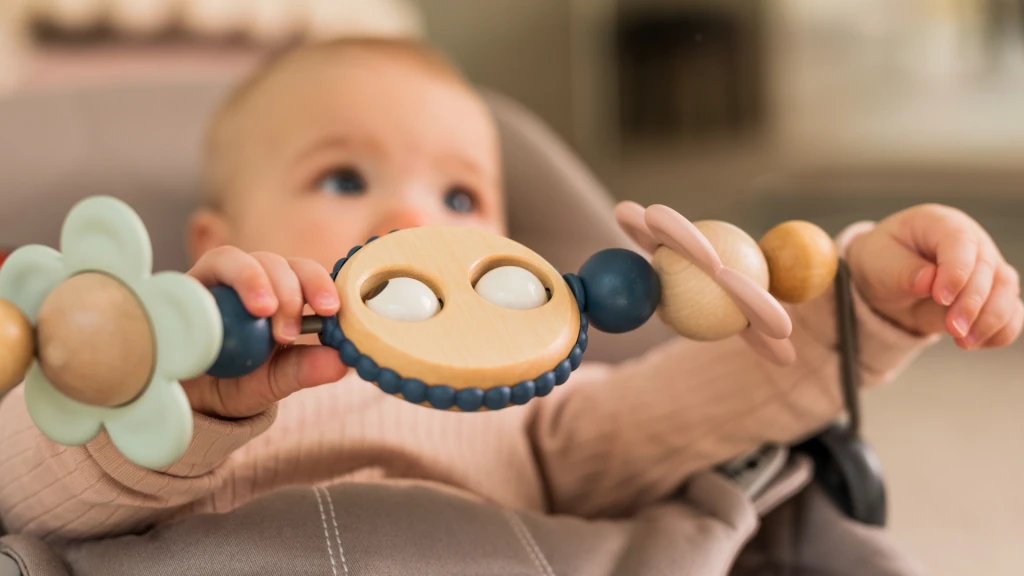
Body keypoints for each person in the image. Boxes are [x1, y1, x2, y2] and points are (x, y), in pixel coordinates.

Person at [1, 37, 1020, 543]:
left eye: (460, 193)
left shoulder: (537, 406)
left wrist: (868, 302)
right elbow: (28, 492)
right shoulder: (168, 381)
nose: (418, 222)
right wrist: (175, 389)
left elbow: (696, 408)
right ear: (215, 244)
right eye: (343, 179)